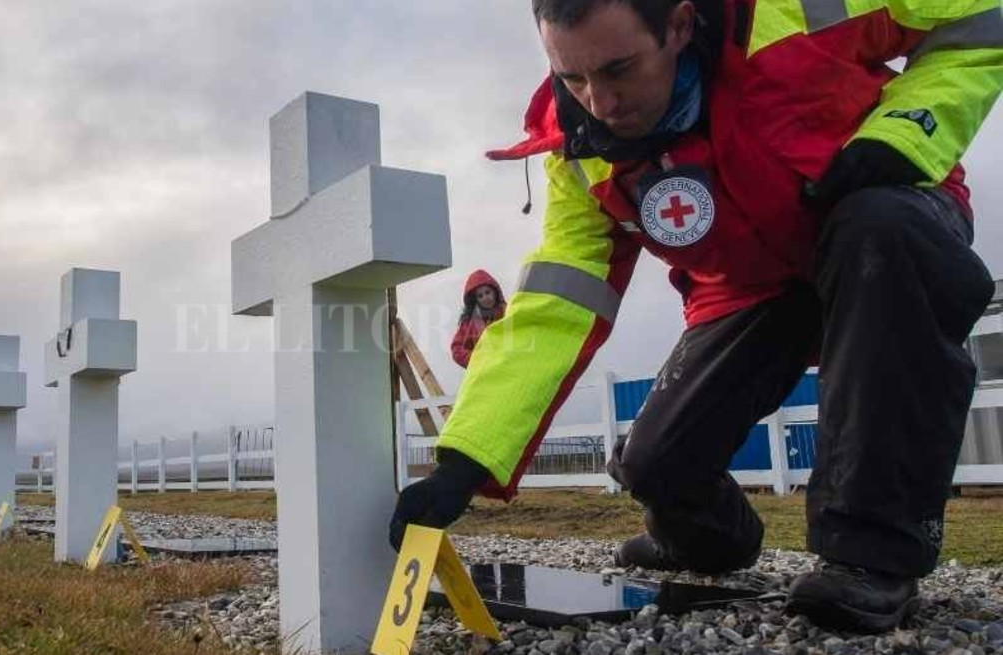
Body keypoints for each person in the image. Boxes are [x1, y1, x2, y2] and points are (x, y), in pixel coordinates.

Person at [390, 0, 1000, 633]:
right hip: (744, 289)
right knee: (655, 464)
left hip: (880, 223)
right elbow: (557, 305)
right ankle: (711, 542)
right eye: (572, 78)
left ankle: (871, 557)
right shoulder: (581, 154)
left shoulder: (785, 15)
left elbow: (979, 15)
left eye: (619, 68)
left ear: (678, 26)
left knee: (882, 230)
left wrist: (908, 130)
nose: (600, 102)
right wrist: (466, 460)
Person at [451, 269, 508, 368]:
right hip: (484, 373)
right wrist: (477, 359)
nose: (485, 298)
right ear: (475, 300)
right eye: (480, 296)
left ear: (495, 292)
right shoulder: (469, 323)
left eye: (488, 292)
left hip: (509, 366)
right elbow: (457, 349)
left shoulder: (509, 312)